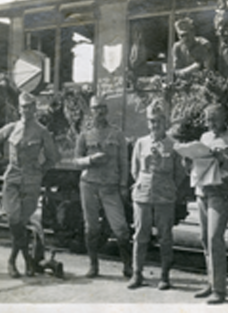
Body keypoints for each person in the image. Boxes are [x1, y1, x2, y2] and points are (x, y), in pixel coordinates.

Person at [0, 92, 59, 278]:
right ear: (19, 109)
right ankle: (23, 259)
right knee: (14, 220)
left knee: (21, 222)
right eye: (24, 107)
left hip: (31, 181)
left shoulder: (42, 131)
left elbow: (52, 157)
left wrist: (39, 170)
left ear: (35, 108)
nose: (27, 110)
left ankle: (16, 261)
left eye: (31, 106)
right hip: (13, 179)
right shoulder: (12, 128)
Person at [184, 103, 228, 304]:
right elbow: (198, 166)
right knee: (204, 238)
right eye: (207, 119)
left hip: (221, 193)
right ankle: (211, 283)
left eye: (214, 119)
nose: (210, 123)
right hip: (203, 191)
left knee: (214, 237)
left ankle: (220, 290)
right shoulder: (204, 138)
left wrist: (223, 159)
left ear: (224, 117)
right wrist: (188, 163)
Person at [127, 99, 186, 290]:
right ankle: (137, 274)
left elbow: (180, 173)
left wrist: (168, 186)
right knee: (140, 235)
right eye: (152, 121)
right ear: (148, 122)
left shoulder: (173, 145)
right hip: (143, 195)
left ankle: (165, 276)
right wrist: (143, 183)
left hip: (164, 196)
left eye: (158, 121)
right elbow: (135, 170)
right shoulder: (140, 143)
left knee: (165, 237)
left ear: (165, 122)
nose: (155, 125)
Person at [74, 95, 131, 278]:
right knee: (91, 228)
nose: (99, 112)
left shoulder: (117, 134)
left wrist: (123, 185)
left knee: (120, 227)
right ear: (91, 111)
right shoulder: (84, 134)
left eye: (102, 108)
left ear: (106, 111)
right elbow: (76, 161)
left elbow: (124, 162)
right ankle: (93, 266)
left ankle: (128, 266)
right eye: (95, 108)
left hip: (110, 187)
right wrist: (90, 159)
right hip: (89, 185)